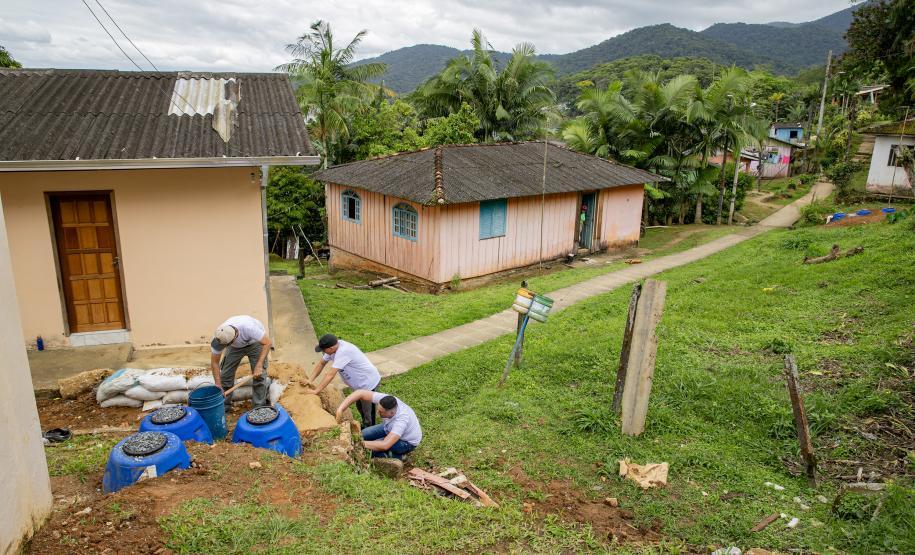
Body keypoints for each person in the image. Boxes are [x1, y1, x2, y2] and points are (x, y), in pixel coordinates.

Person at [305, 334, 381, 427]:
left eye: (324, 350)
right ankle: (365, 424)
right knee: (360, 407)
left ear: (331, 348)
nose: (324, 352)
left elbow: (330, 375)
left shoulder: (343, 352)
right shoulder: (333, 349)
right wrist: (310, 380)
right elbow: (321, 363)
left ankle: (370, 432)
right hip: (359, 385)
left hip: (368, 383)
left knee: (369, 412)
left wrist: (316, 391)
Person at [335, 389, 421, 459]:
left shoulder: (401, 421)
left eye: (381, 412)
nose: (377, 412)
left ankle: (399, 456)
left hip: (406, 441)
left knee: (369, 452)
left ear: (391, 413)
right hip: (388, 427)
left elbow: (385, 445)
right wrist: (341, 409)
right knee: (362, 434)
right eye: (378, 409)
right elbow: (360, 393)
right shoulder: (387, 400)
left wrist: (358, 443)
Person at [210, 315, 272, 409]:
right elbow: (215, 363)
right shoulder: (219, 338)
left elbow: (268, 343)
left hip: (254, 343)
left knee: (259, 376)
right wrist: (218, 384)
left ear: (234, 338)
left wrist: (259, 365)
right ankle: (224, 406)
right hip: (235, 348)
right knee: (225, 376)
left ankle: (258, 407)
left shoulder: (249, 328)